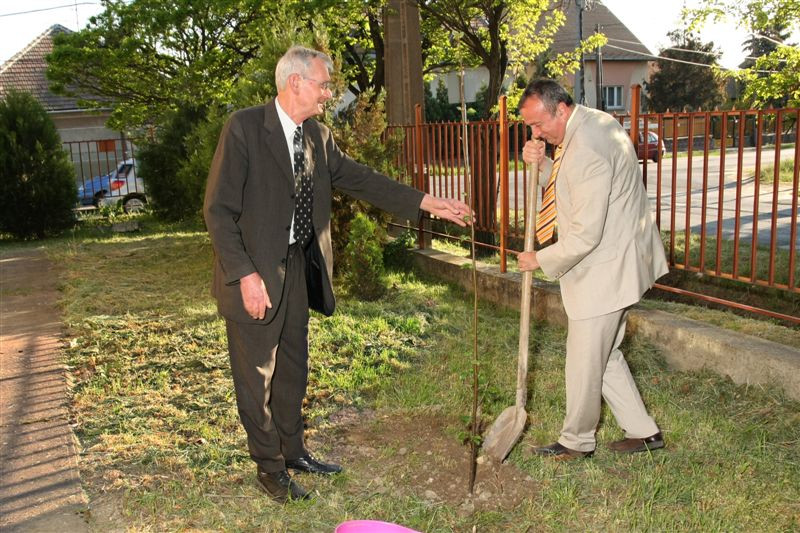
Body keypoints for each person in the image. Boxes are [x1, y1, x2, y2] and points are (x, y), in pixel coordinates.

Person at [203, 45, 471, 503]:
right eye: (324, 84)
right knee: (256, 377)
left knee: (292, 370)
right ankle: (269, 469)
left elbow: (362, 178)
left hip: (298, 273)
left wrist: (427, 202)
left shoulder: (318, 137)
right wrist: (245, 275)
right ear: (296, 83)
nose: (329, 93)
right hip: (256, 276)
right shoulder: (245, 128)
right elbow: (218, 211)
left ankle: (293, 450)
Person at [517, 79, 668, 460]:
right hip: (620, 258)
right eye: (529, 127)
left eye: (538, 125)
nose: (535, 133)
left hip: (605, 268)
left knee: (584, 361)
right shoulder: (592, 122)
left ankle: (576, 441)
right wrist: (544, 162)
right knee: (606, 353)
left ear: (562, 110)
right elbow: (573, 183)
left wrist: (540, 259)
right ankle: (644, 432)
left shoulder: (586, 147)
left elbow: (585, 234)